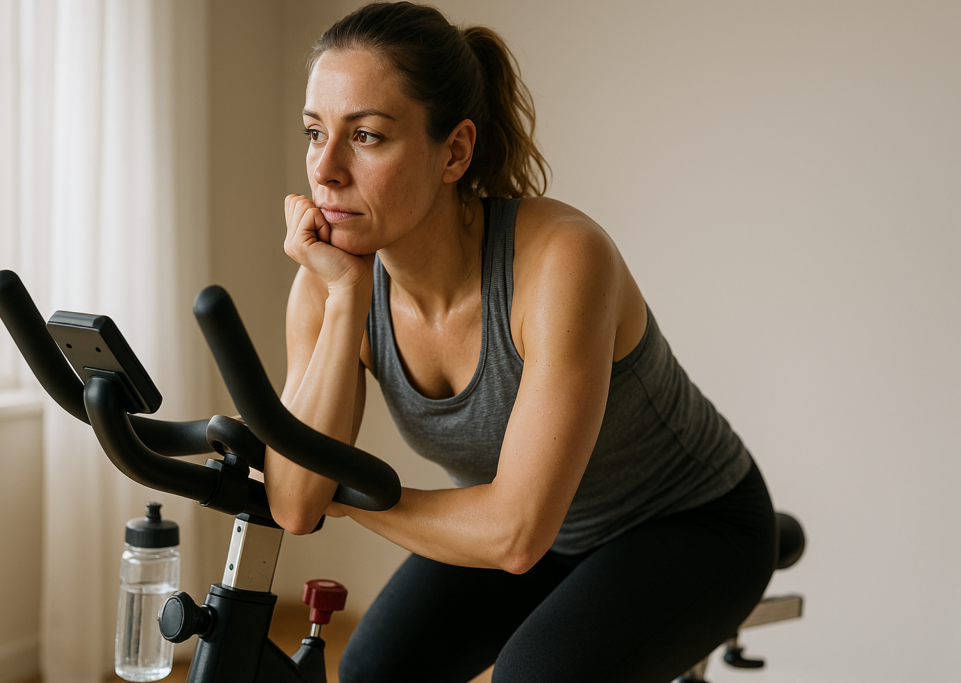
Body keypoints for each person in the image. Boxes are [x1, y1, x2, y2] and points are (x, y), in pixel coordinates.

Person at [269, 3, 776, 681]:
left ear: (454, 151)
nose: (326, 169)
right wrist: (346, 299)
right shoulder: (329, 282)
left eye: (365, 136)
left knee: (534, 676)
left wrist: (349, 491)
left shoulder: (561, 259)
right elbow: (295, 503)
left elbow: (513, 535)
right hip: (540, 530)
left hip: (691, 522)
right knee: (371, 672)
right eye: (315, 132)